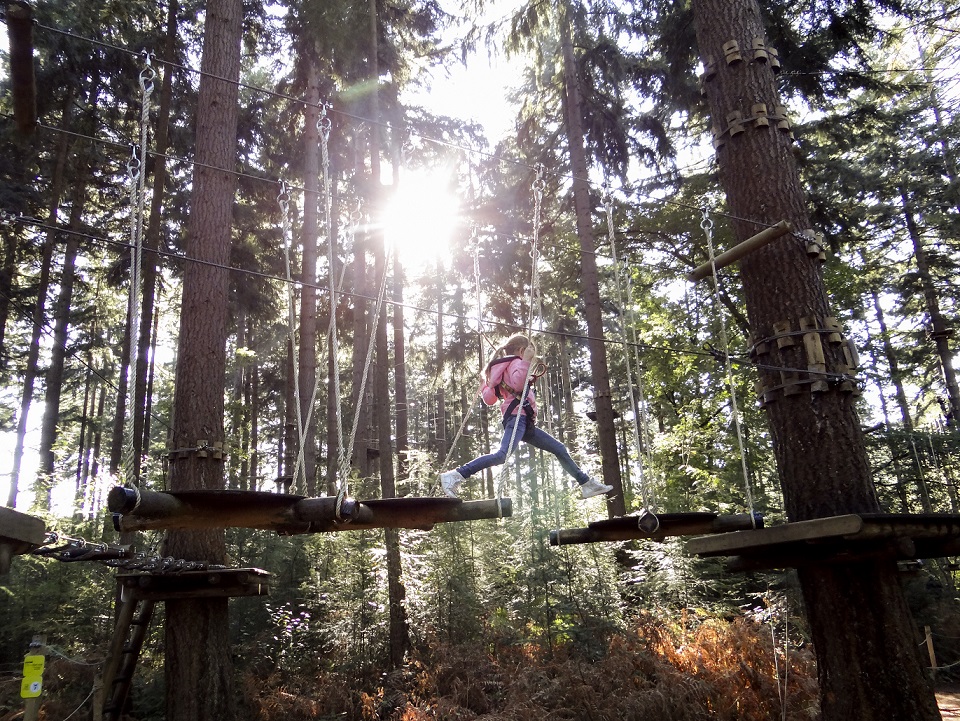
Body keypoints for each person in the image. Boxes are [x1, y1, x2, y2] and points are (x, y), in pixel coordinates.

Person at [439, 333, 613, 500]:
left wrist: (485, 385)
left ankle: (586, 483)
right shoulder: (516, 362)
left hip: (523, 422)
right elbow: (518, 384)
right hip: (517, 419)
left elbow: (489, 399)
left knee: (558, 448)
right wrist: (525, 361)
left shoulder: (502, 369)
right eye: (529, 353)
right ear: (522, 350)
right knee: (502, 455)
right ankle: (456, 475)